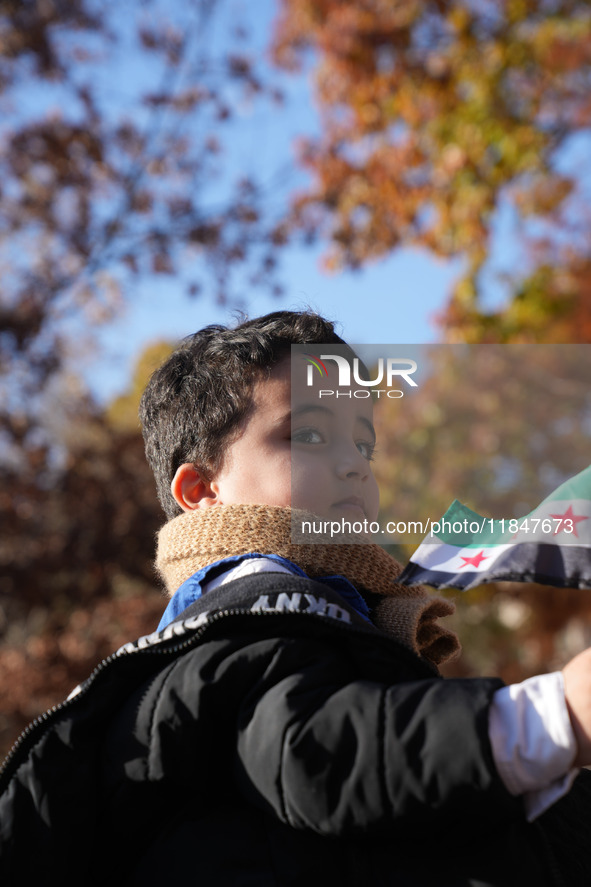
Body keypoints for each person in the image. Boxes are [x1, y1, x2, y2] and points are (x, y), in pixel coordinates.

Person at [1, 310, 590, 887]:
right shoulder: (242, 615)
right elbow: (320, 752)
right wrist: (553, 716)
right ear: (202, 491)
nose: (354, 467)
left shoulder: (346, 617)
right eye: (307, 435)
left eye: (364, 446)